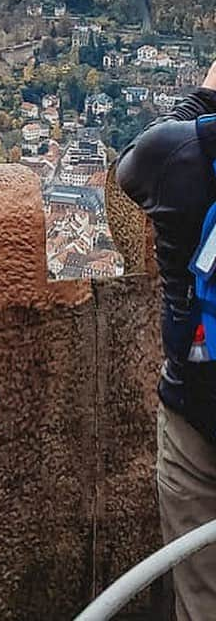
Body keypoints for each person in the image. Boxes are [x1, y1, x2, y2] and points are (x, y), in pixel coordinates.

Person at [116, 60, 216, 621]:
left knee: (202, 597)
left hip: (196, 414)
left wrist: (205, 97)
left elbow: (132, 168)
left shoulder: (177, 155)